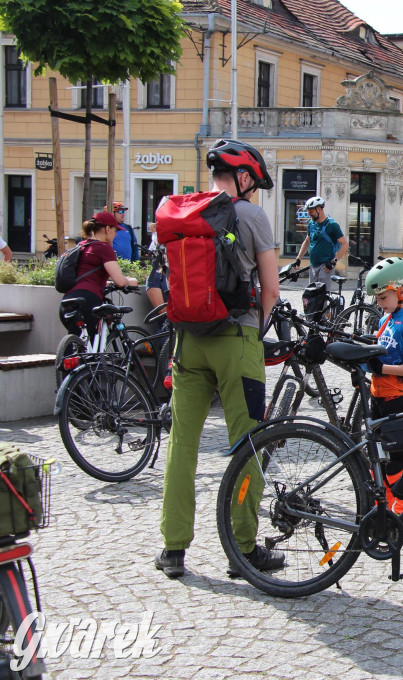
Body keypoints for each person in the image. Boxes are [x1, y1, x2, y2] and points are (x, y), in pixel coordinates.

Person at [155, 139, 281, 580]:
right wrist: (255, 330)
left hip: (187, 340)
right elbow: (270, 290)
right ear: (244, 177)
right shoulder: (251, 215)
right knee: (248, 443)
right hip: (236, 338)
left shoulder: (185, 211)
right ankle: (242, 548)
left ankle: (173, 549)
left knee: (181, 445)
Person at [364, 257, 403, 521]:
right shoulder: (388, 318)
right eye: (377, 299)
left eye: (383, 298)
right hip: (379, 396)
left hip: (399, 399)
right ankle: (384, 507)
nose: (379, 303)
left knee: (400, 459)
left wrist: (383, 369)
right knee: (378, 454)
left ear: (401, 291)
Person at [57, 212, 139, 337]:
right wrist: (130, 281)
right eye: (115, 230)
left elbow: (86, 277)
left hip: (67, 302)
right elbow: (120, 282)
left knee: (77, 345)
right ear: (107, 229)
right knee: (88, 349)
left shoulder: (82, 246)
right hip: (88, 302)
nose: (115, 234)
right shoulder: (104, 248)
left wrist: (107, 283)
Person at [293, 196, 348, 286]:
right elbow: (307, 241)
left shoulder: (332, 225)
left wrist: (333, 261)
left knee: (322, 296)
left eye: (311, 211)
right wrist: (298, 258)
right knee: (312, 295)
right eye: (308, 211)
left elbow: (345, 244)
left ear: (319, 209)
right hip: (313, 265)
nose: (309, 214)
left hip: (325, 266)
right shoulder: (311, 224)